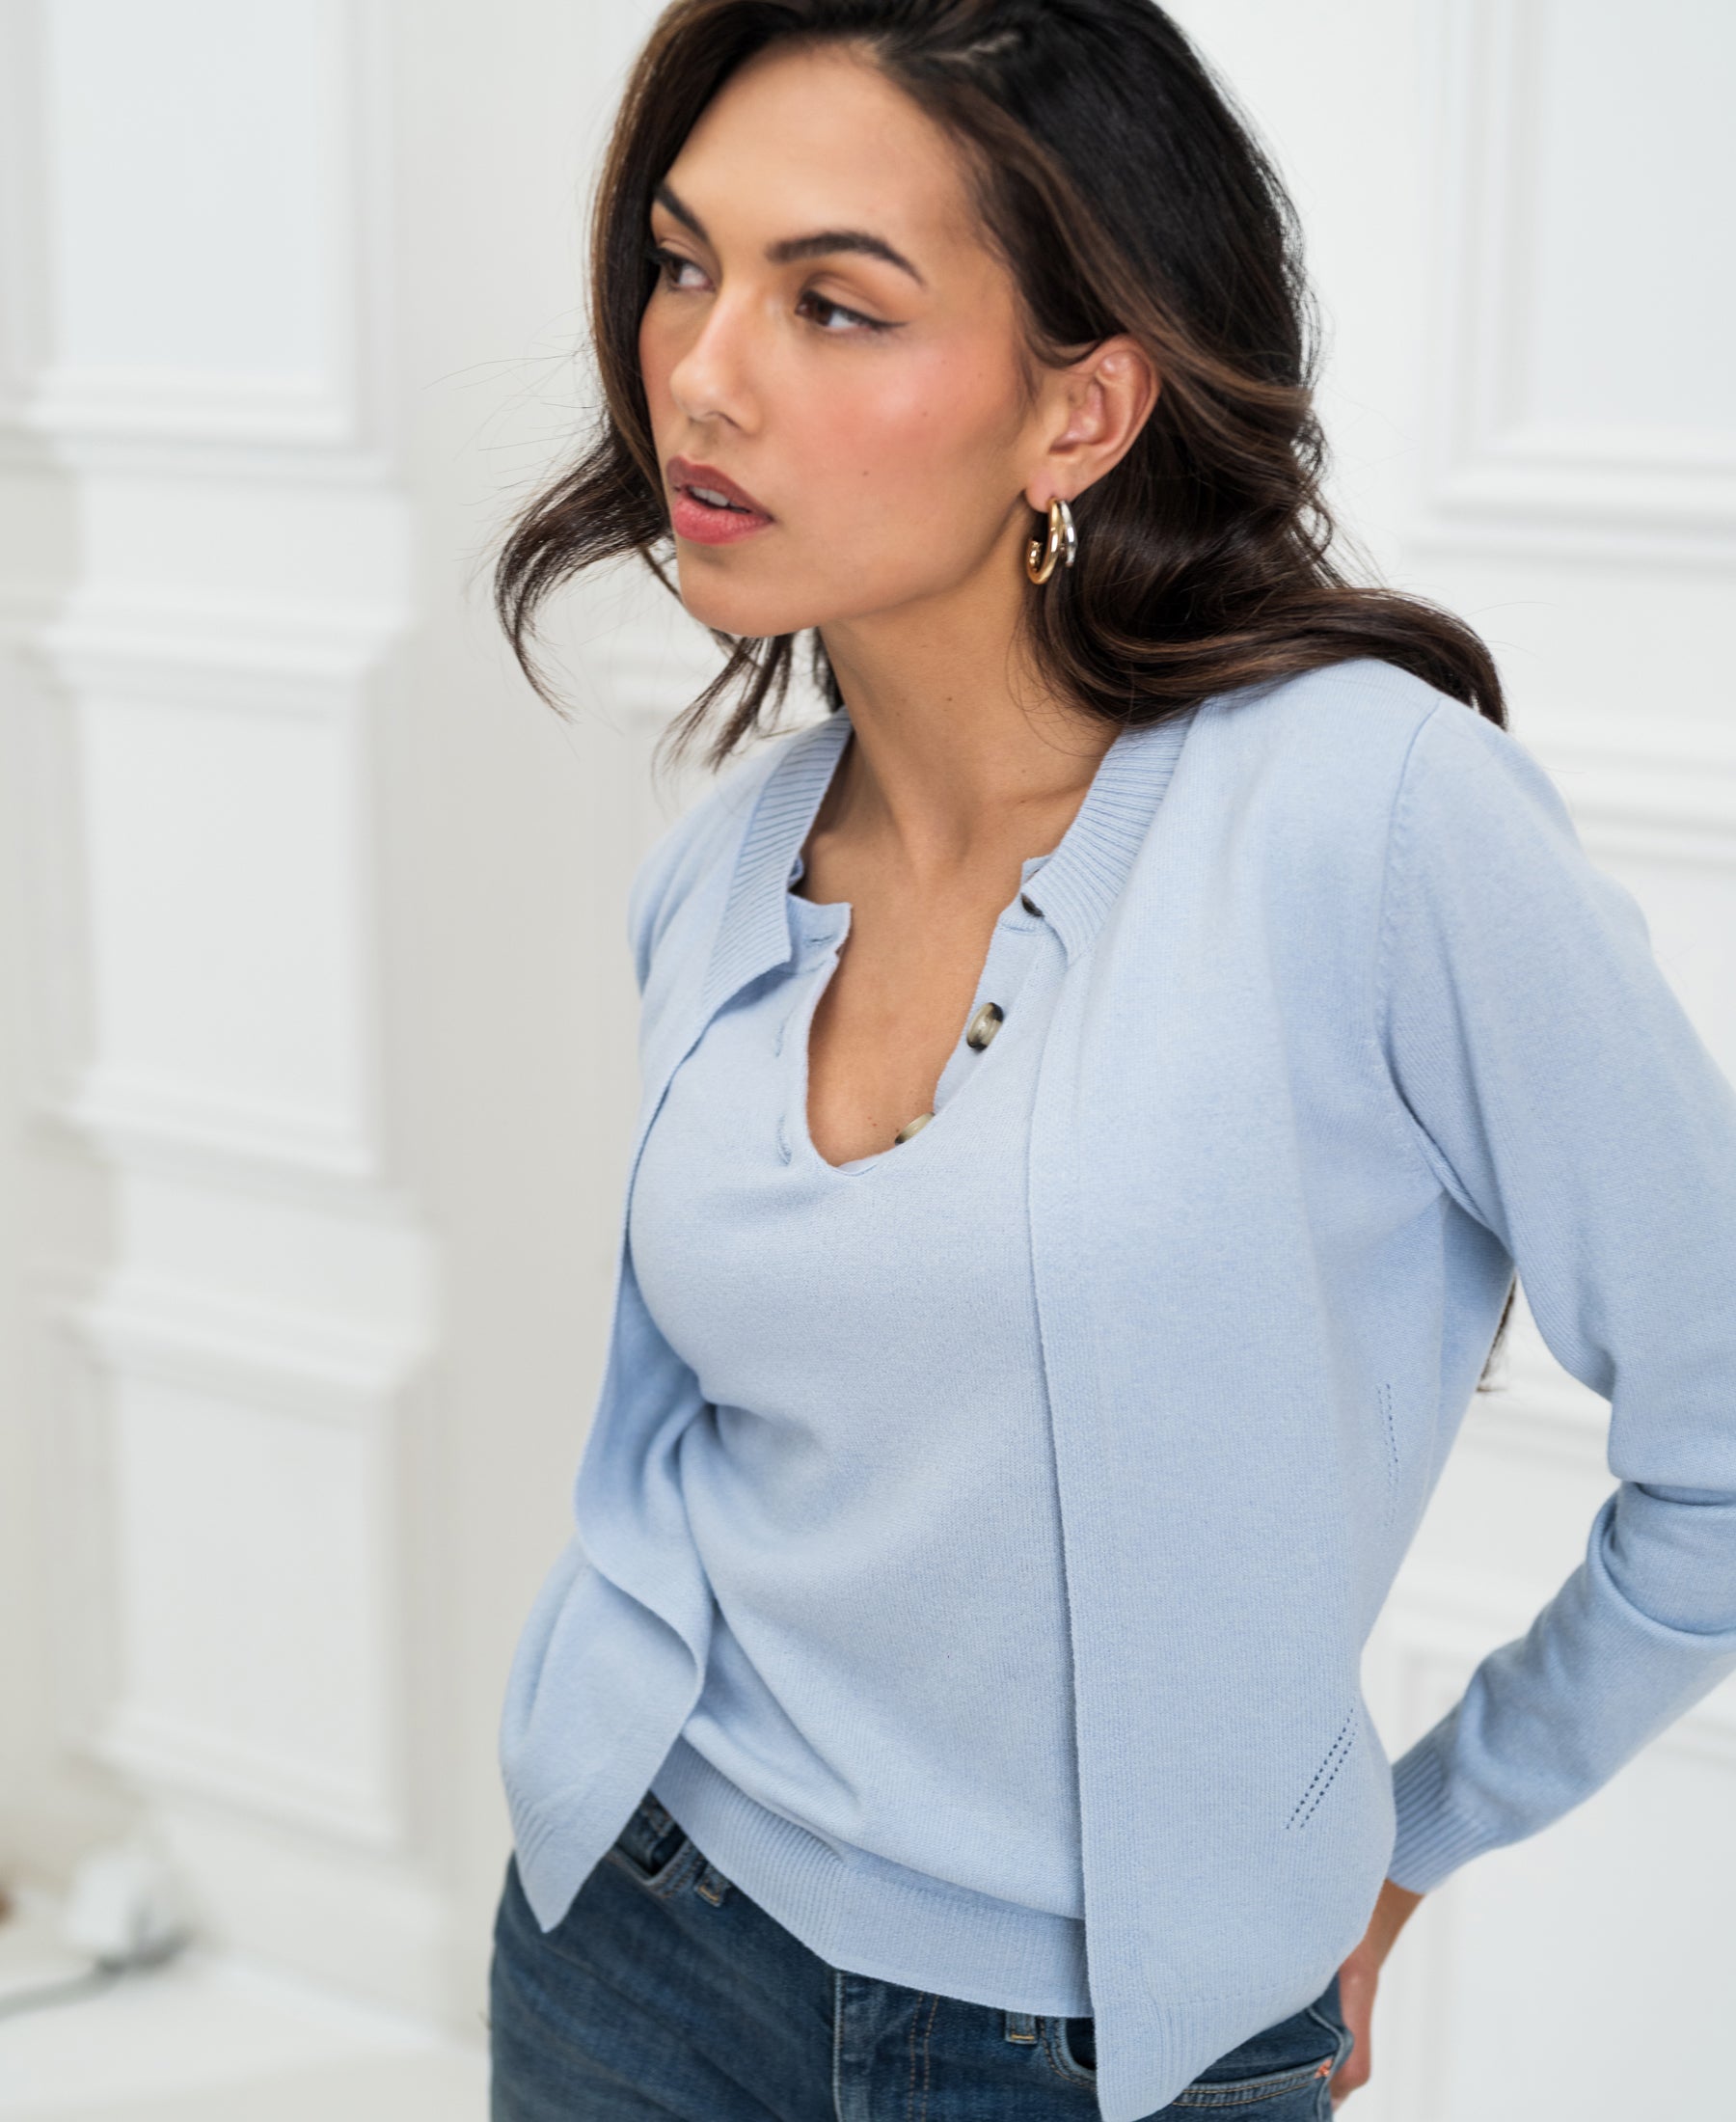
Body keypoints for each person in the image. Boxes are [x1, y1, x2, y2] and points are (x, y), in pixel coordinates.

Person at [485, 5, 1736, 2118]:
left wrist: (1420, 1835)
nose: (699, 369)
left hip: (1102, 2063)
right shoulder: (721, 868)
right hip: (637, 1938)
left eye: (833, 303)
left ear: (1082, 409)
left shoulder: (1374, 820)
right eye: (684, 264)